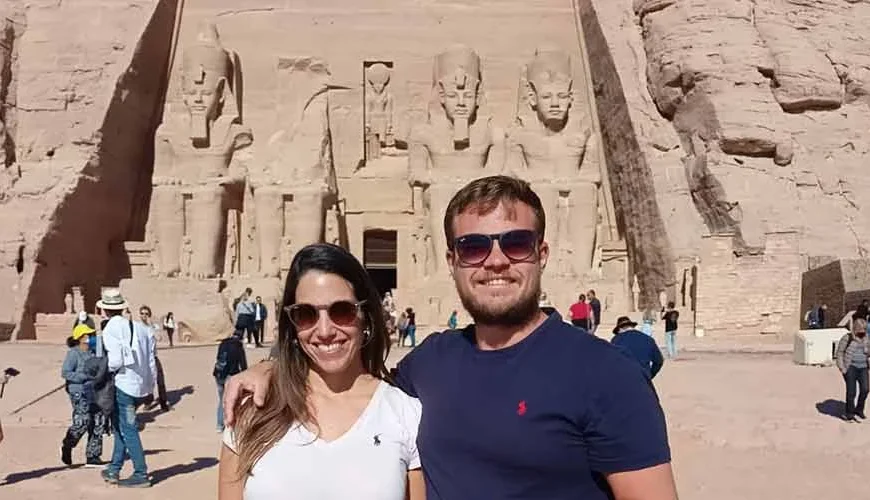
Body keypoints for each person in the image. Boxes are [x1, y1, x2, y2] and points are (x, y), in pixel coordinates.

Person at [223, 175, 677, 500]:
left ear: (542, 254)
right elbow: (343, 373)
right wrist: (272, 366)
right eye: (474, 247)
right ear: (452, 261)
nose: (495, 261)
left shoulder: (606, 375)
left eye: (515, 243)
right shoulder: (430, 365)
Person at [217, 244, 424, 500]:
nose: (324, 331)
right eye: (306, 314)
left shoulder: (405, 414)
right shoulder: (255, 410)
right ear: (292, 326)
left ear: (367, 317)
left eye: (342, 311)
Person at [99, 288, 157, 488]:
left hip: (124, 385)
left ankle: (141, 472)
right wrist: (150, 387)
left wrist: (103, 370)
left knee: (128, 429)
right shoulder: (142, 328)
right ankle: (114, 468)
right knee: (121, 427)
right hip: (141, 385)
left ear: (105, 310)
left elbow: (115, 361)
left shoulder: (110, 329)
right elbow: (151, 362)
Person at [60, 324, 107, 468]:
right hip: (78, 390)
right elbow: (65, 373)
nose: (90, 337)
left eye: (92, 335)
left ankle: (93, 455)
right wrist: (83, 376)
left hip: (95, 391)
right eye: (87, 335)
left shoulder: (95, 352)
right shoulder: (73, 353)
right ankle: (68, 444)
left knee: (98, 420)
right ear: (80, 338)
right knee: (83, 420)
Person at [835, 318, 870, 422]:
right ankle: (849, 414)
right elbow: (840, 353)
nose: (862, 332)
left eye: (864, 329)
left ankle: (859, 410)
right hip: (850, 367)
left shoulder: (867, 338)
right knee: (851, 392)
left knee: (865, 389)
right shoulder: (847, 338)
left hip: (863, 367)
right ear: (855, 329)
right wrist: (842, 367)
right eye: (860, 329)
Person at [214, 330, 248, 432]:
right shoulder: (238, 346)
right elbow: (243, 364)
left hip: (218, 374)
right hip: (230, 376)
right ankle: (230, 424)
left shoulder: (223, 343)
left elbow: (218, 357)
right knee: (230, 400)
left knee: (221, 400)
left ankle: (219, 426)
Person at [140, 306, 169, 412]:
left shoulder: (153, 327)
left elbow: (159, 338)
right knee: (146, 381)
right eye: (142, 313)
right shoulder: (138, 327)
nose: (144, 316)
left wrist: (151, 325)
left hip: (153, 357)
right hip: (143, 358)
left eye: (146, 314)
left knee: (160, 379)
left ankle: (163, 402)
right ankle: (147, 402)